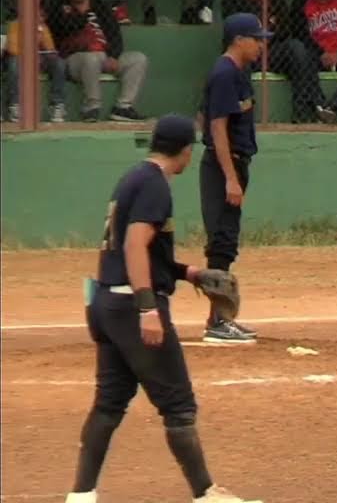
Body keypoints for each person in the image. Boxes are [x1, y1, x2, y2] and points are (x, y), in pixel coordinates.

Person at [64, 115, 263, 503]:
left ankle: (81, 495)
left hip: (105, 301)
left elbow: (136, 248)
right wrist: (147, 308)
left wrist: (190, 273)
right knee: (178, 404)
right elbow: (135, 245)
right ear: (186, 151)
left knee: (110, 401)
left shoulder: (133, 177)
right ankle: (206, 494)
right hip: (131, 305)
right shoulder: (156, 186)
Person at [197, 14, 271, 344]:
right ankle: (218, 321)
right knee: (222, 242)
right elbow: (216, 127)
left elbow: (204, 114)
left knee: (226, 239)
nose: (260, 44)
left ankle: (220, 318)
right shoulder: (225, 73)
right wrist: (229, 177)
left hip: (234, 163)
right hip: (223, 165)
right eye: (256, 38)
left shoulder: (237, 73)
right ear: (238, 40)